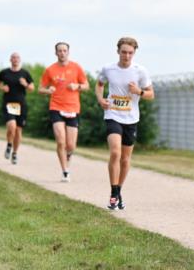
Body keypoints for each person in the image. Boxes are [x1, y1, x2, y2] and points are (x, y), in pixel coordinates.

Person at [96, 37, 154, 210]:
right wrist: (100, 99)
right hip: (113, 114)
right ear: (118, 51)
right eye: (124, 52)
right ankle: (113, 193)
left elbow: (151, 94)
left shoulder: (140, 71)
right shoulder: (108, 69)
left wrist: (139, 91)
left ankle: (119, 190)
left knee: (125, 158)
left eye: (130, 52)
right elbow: (99, 84)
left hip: (131, 118)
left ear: (134, 53)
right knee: (115, 152)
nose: (127, 56)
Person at [40, 42, 88, 182]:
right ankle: (65, 171)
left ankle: (67, 156)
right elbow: (40, 88)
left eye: (64, 50)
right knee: (61, 141)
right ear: (56, 53)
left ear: (68, 52)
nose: (62, 53)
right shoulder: (50, 70)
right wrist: (48, 90)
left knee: (71, 145)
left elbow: (86, 85)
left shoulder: (76, 67)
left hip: (73, 108)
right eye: (59, 51)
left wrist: (77, 86)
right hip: (56, 107)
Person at [0, 53, 35, 164]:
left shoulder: (25, 73)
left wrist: (25, 84)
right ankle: (9, 145)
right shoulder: (4, 72)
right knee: (11, 126)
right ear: (10, 60)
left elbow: (32, 88)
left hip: (21, 105)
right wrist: (2, 87)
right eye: (13, 57)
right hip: (9, 104)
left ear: (20, 60)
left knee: (18, 130)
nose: (15, 59)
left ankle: (15, 153)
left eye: (17, 58)